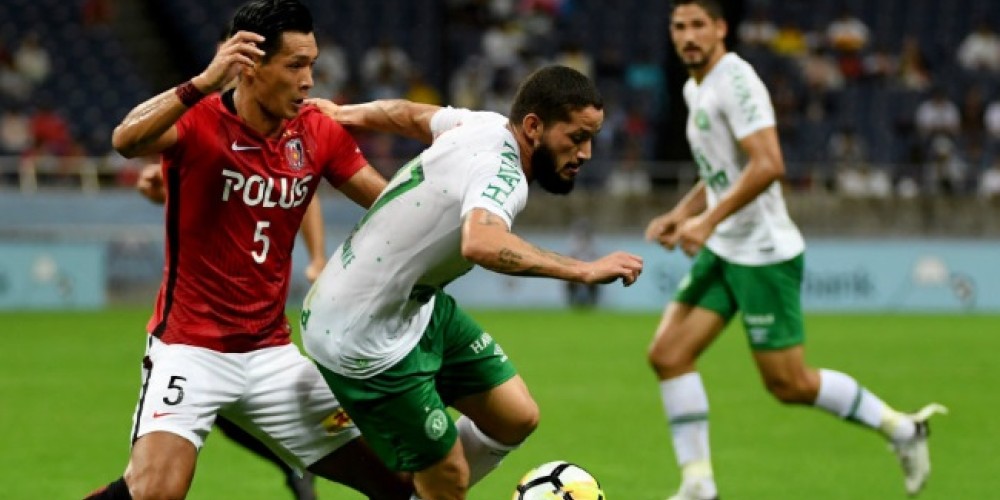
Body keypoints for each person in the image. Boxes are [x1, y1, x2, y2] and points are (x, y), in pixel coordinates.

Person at [85, 1, 411, 499]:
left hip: (271, 356)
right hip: (190, 349)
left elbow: (393, 206)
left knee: (399, 480)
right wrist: (202, 82)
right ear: (251, 65)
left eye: (312, 65)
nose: (308, 81)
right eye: (296, 65)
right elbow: (125, 139)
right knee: (154, 492)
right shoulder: (198, 119)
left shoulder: (316, 131)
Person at [644, 2, 947, 499]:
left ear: (721, 29)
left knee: (790, 385)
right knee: (668, 353)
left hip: (762, 253)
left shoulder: (735, 81)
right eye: (680, 26)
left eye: (699, 25)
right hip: (726, 246)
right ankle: (698, 483)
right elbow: (722, 169)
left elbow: (769, 164)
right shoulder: (695, 87)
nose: (689, 36)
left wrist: (705, 222)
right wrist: (683, 213)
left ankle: (901, 428)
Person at [301, 65, 644, 500]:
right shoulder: (503, 173)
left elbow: (411, 115)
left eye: (591, 138)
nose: (587, 152)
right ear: (534, 127)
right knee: (449, 478)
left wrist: (347, 113)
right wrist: (583, 270)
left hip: (413, 306)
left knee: (514, 417)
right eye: (577, 137)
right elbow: (481, 242)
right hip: (361, 336)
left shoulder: (483, 123)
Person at [134, 163, 321, 499]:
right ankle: (294, 465)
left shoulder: (280, 149)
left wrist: (318, 257)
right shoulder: (217, 145)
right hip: (204, 312)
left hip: (253, 312)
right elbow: (211, 194)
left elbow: (303, 187)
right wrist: (168, 187)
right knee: (223, 409)